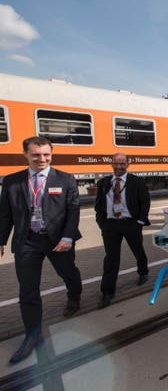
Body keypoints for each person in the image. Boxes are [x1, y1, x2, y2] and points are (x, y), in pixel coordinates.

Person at [0, 136, 83, 364]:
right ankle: (32, 334)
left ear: (51, 154)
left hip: (58, 241)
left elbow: (72, 211)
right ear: (25, 154)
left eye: (46, 154)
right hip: (26, 241)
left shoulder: (66, 179)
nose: (42, 159)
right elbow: (5, 215)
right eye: (36, 154)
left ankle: (74, 295)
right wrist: (1, 240)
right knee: (27, 290)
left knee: (69, 274)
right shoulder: (12, 182)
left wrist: (68, 237)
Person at [95, 153, 150, 308]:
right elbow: (99, 205)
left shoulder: (137, 182)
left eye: (122, 163)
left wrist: (139, 221)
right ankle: (107, 292)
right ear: (111, 164)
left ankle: (143, 271)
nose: (119, 167)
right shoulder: (104, 183)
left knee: (137, 249)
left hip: (131, 223)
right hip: (111, 226)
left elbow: (145, 202)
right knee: (111, 258)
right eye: (116, 163)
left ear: (128, 164)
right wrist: (101, 222)